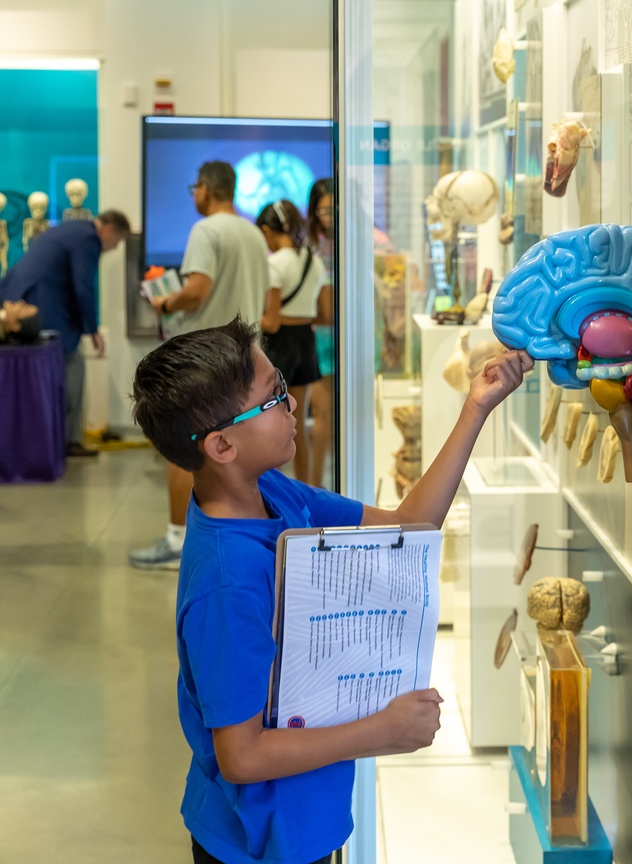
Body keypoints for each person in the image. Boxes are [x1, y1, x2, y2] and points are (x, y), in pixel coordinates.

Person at [130, 316, 532, 864]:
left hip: (305, 817)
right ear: (223, 445)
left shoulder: (266, 489)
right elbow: (241, 759)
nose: (293, 403)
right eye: (274, 397)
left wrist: (476, 407)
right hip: (256, 844)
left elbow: (406, 531)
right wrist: (381, 730)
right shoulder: (228, 584)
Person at [129, 160, 269, 570]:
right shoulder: (253, 233)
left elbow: (197, 290)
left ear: (206, 189)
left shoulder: (206, 230)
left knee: (183, 448)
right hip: (245, 361)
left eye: (195, 188)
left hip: (204, 363)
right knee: (236, 455)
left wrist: (164, 302)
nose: (193, 195)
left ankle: (177, 540)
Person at [0, 209, 131, 456]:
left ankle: (49, 441)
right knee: (73, 363)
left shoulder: (71, 229)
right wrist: (93, 330)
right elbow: (83, 287)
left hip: (17, 297)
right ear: (109, 230)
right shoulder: (89, 239)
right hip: (40, 305)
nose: (113, 248)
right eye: (117, 242)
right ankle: (67, 442)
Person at [256, 199, 326, 483]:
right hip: (306, 342)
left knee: (272, 424)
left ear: (267, 231)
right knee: (297, 424)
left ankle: (274, 493)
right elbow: (322, 312)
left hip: (280, 344)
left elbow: (271, 321)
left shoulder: (273, 264)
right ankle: (306, 488)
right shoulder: (315, 261)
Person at [305, 178, 336, 488]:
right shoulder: (308, 245)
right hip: (320, 334)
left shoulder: (354, 239)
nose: (329, 214)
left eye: (333, 207)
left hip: (349, 334)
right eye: (323, 209)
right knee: (322, 412)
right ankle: (315, 484)